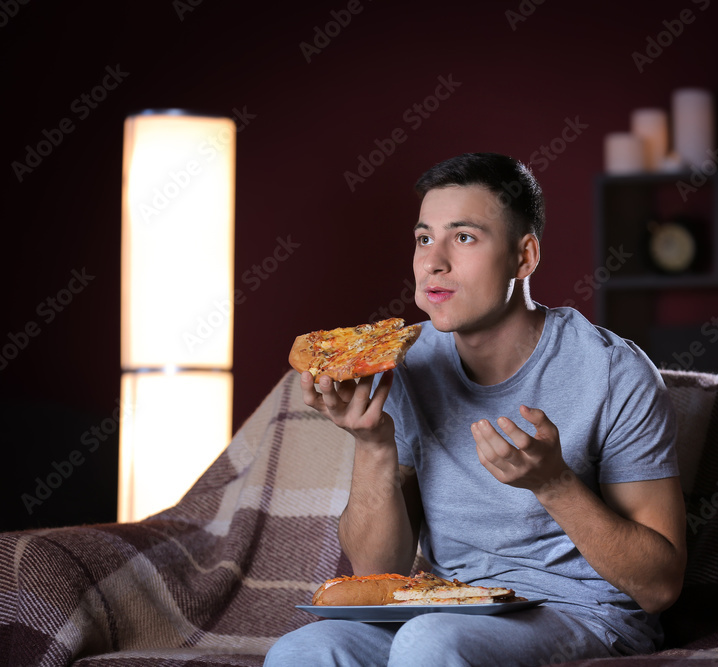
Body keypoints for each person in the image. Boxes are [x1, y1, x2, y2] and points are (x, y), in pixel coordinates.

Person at [265, 152, 686, 666]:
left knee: (431, 643)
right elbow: (381, 569)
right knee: (302, 651)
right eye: (424, 238)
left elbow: (659, 587)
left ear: (524, 257)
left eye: (463, 237)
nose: (433, 261)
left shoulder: (613, 372)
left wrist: (553, 484)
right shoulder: (406, 361)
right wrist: (372, 445)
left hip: (585, 612)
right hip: (449, 606)